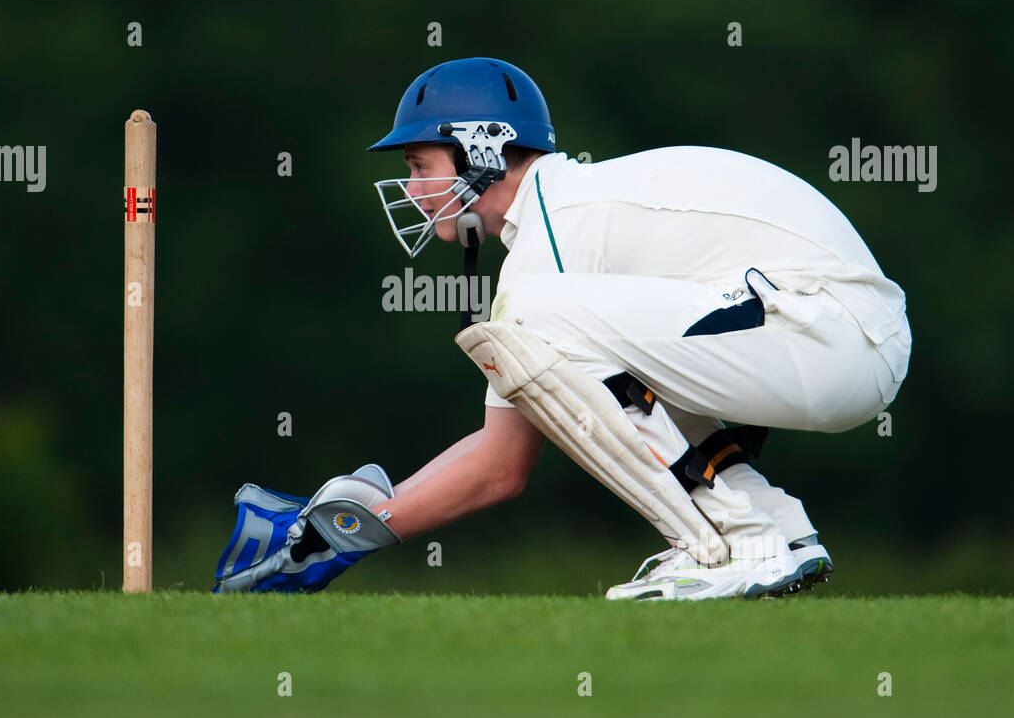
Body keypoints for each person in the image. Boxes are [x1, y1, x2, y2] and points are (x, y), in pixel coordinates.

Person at [214, 57, 910, 601]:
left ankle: (733, 540)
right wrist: (355, 518)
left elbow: (499, 468)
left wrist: (340, 535)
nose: (412, 187)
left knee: (536, 316)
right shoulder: (568, 214)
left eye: (420, 165)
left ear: (481, 151)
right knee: (563, 329)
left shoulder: (557, 236)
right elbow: (503, 449)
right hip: (832, 334)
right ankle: (772, 529)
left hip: (831, 333)